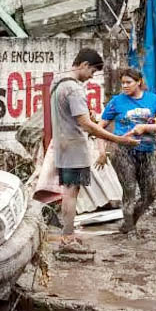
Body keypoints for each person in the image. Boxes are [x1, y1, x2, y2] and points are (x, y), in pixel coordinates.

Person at [50, 49, 139, 247]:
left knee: (69, 191)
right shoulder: (74, 89)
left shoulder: (57, 84)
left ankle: (67, 234)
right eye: (92, 72)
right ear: (84, 65)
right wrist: (117, 139)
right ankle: (68, 238)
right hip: (74, 148)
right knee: (72, 192)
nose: (91, 78)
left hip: (63, 147)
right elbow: (87, 124)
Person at [96, 68, 156, 234]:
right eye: (122, 83)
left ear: (139, 82)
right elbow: (99, 128)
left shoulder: (154, 100)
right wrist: (101, 152)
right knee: (129, 190)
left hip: (146, 151)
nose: (125, 86)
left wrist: (145, 127)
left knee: (150, 195)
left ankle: (129, 223)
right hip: (122, 151)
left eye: (128, 82)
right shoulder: (117, 101)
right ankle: (130, 230)